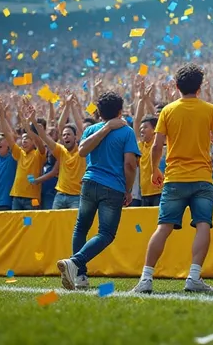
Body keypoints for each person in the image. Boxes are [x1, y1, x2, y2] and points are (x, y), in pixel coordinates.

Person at [133, 63, 213, 294]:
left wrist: (154, 170)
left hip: (174, 177)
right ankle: (193, 278)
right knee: (203, 225)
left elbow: (156, 146)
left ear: (176, 86)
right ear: (200, 87)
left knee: (163, 228)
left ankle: (146, 279)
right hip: (202, 177)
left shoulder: (167, 110)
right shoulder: (209, 109)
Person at [56, 91, 139, 290]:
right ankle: (75, 263)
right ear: (120, 111)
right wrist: (128, 190)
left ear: (99, 112)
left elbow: (83, 152)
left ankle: (80, 277)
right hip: (113, 188)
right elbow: (129, 165)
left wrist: (106, 127)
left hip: (89, 184)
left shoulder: (90, 129)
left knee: (81, 228)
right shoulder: (126, 131)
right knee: (107, 234)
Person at [0, 100, 46, 210]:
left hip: (33, 199)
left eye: (28, 139)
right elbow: (7, 134)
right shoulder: (19, 153)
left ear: (33, 141)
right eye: (23, 138)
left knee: (29, 224)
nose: (24, 141)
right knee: (17, 225)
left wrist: (28, 125)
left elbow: (39, 142)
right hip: (17, 197)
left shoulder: (39, 153)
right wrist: (2, 116)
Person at [133, 80, 164, 207]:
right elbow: (136, 122)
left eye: (145, 127)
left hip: (159, 192)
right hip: (144, 194)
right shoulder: (140, 146)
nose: (142, 130)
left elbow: (158, 121)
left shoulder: (157, 141)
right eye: (141, 128)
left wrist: (147, 101)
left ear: (154, 129)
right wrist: (141, 100)